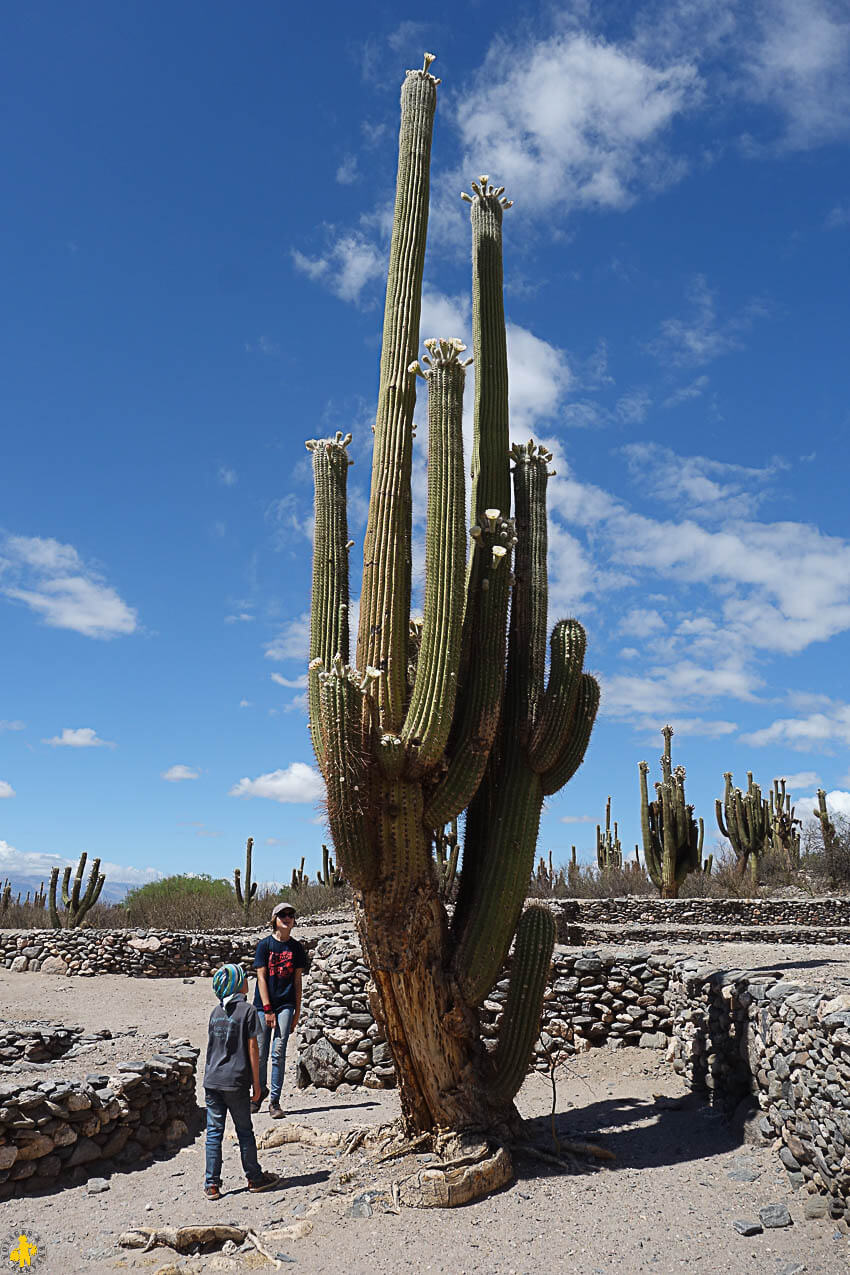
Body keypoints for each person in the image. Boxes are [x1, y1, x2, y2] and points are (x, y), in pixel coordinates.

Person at [203, 962, 281, 1200]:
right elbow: (253, 1048)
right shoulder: (247, 1010)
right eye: (244, 977)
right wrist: (257, 1084)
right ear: (237, 984)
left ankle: (212, 1184)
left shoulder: (215, 1013)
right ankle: (254, 1178)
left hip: (212, 1081)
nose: (248, 981)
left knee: (214, 1133)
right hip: (236, 1082)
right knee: (245, 1131)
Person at [252, 902, 307, 1118]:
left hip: (286, 1004)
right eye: (282, 915)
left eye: (290, 915)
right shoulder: (264, 945)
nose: (287, 918)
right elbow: (261, 977)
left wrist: (297, 1012)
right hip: (263, 1004)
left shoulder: (296, 948)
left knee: (279, 1052)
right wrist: (267, 1009)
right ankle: (259, 1092)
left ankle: (274, 1101)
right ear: (274, 919)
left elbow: (297, 981)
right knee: (260, 1052)